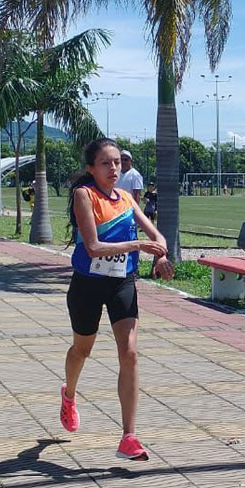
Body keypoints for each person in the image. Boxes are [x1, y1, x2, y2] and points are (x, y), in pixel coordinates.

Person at [60, 138, 173, 461]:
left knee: (130, 352)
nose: (114, 168)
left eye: (117, 162)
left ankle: (129, 436)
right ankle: (69, 394)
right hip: (87, 285)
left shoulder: (126, 198)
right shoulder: (85, 195)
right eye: (106, 163)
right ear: (91, 168)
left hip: (121, 283)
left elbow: (157, 236)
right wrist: (137, 246)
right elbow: (94, 247)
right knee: (82, 349)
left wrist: (160, 255)